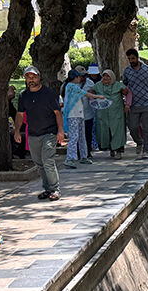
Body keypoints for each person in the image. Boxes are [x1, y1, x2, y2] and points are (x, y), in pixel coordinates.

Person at [13, 66, 64, 201]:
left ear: (39, 77)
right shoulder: (23, 95)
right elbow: (20, 114)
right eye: (28, 77)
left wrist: (60, 131)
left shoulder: (48, 93)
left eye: (34, 77)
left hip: (49, 132)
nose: (31, 80)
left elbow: (58, 113)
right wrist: (17, 131)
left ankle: (55, 189)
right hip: (33, 134)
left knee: (48, 161)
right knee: (39, 163)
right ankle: (47, 189)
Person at [123, 48, 148, 159]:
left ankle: (147, 150)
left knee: (147, 128)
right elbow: (125, 86)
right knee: (133, 127)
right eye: (129, 59)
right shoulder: (127, 71)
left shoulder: (147, 69)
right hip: (134, 104)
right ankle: (139, 141)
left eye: (132, 58)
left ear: (137, 58)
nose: (131, 61)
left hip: (147, 102)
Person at [90, 69, 127, 159]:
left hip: (116, 113)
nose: (105, 78)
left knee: (117, 131)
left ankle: (118, 151)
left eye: (108, 76)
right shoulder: (98, 85)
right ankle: (111, 149)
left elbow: (126, 92)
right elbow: (91, 92)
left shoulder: (118, 85)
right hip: (103, 114)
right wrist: (94, 101)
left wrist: (127, 104)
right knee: (106, 131)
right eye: (104, 76)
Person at [61, 67, 92, 168]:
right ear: (75, 77)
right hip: (73, 115)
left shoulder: (73, 86)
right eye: (79, 76)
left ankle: (83, 156)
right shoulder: (71, 86)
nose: (80, 78)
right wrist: (99, 97)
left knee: (82, 136)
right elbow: (85, 94)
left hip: (79, 114)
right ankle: (70, 158)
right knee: (74, 137)